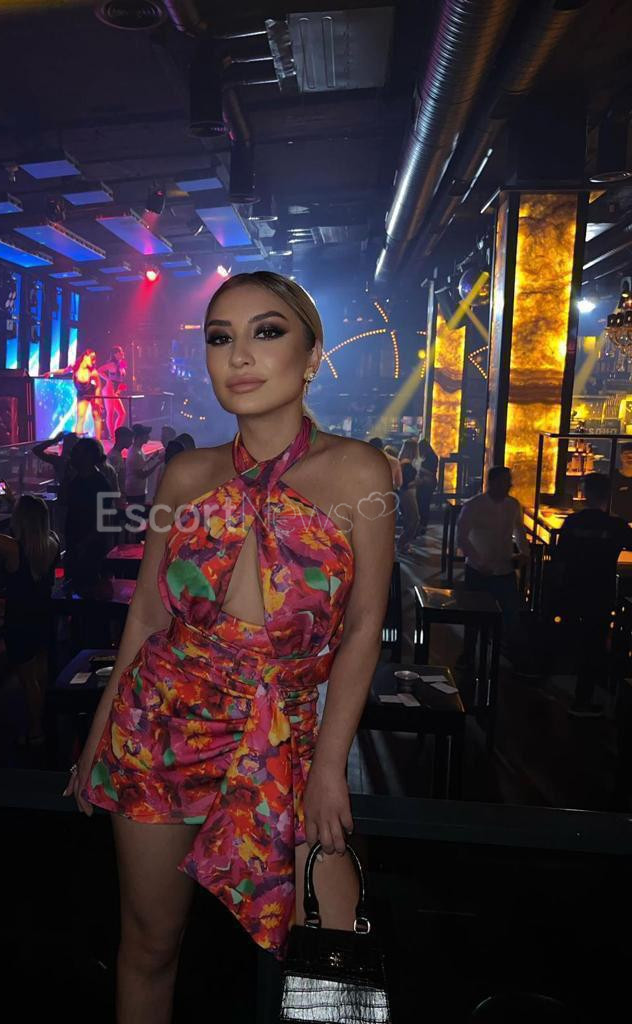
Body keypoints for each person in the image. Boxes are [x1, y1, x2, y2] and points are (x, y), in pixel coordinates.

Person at [64, 270, 394, 1024]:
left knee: (334, 955)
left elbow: (363, 627)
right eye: (220, 338)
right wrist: (98, 735)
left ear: (312, 355)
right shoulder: (186, 474)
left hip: (288, 733)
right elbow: (146, 616)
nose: (239, 355)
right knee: (150, 945)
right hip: (160, 729)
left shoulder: (359, 472)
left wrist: (331, 766)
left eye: (266, 332)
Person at [0, 490, 59, 743]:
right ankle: (42, 722)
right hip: (44, 614)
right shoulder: (52, 541)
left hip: (20, 619)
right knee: (39, 673)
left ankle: (36, 731)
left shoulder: (13, 548)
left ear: (21, 519)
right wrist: (11, 500)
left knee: (27, 679)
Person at [556, 472, 632, 717]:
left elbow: (561, 556)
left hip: (572, 588)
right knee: (594, 643)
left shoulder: (572, 522)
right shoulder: (616, 526)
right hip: (600, 590)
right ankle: (583, 699)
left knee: (572, 637)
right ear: (607, 495)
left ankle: (556, 683)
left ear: (585, 494)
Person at [457, 466, 532, 673]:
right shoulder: (474, 506)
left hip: (504, 568)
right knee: (474, 616)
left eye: (509, 481)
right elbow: (462, 538)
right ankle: (468, 654)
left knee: (511, 615)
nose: (509, 485)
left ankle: (514, 657)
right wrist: (479, 561)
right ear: (492, 482)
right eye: (505, 481)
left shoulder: (513, 505)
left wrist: (524, 552)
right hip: (478, 570)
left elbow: (519, 530)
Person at [62, 437, 113, 588]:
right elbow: (63, 501)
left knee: (89, 589)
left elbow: (103, 522)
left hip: (91, 548)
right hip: (75, 543)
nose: (72, 455)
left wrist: (84, 544)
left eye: (76, 452)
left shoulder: (101, 484)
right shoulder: (75, 480)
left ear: (88, 456)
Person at [48, 350, 105, 440]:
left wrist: (98, 399)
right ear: (85, 356)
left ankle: (98, 442)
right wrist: (51, 373)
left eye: (94, 359)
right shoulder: (75, 366)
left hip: (93, 393)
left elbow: (98, 385)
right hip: (82, 394)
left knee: (96, 415)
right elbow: (64, 371)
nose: (93, 361)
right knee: (81, 417)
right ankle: (77, 441)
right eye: (92, 358)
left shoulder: (93, 372)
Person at [124, 423, 165, 512]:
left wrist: (151, 457)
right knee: (136, 515)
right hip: (135, 492)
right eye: (146, 435)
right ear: (140, 437)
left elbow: (141, 464)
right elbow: (142, 475)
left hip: (137, 490)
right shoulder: (135, 453)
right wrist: (158, 463)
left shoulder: (138, 450)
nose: (148, 437)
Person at [98, 345, 128, 437]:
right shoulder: (112, 364)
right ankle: (112, 436)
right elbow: (99, 370)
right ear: (115, 354)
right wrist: (107, 379)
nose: (122, 353)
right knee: (110, 413)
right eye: (120, 352)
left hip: (115, 391)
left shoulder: (122, 364)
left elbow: (122, 379)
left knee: (122, 413)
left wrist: (120, 389)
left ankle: (116, 433)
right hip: (109, 389)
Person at [396, 439, 420, 554]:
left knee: (410, 519)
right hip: (408, 493)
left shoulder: (403, 462)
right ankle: (402, 543)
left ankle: (404, 544)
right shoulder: (406, 464)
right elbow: (405, 483)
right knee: (414, 519)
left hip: (407, 493)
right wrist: (417, 482)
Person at [416, 437, 439, 533]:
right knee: (422, 503)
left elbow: (431, 473)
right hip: (424, 483)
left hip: (429, 483)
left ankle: (423, 524)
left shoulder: (432, 457)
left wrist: (419, 468)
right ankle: (421, 524)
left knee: (424, 503)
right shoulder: (426, 456)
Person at [107, 426, 134, 497]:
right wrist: (121, 495)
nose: (131, 442)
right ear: (122, 438)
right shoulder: (115, 457)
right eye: (129, 438)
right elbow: (116, 479)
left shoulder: (116, 455)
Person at [610, 442, 632, 522]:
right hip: (616, 523)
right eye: (627, 454)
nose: (630, 457)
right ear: (621, 456)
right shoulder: (612, 477)